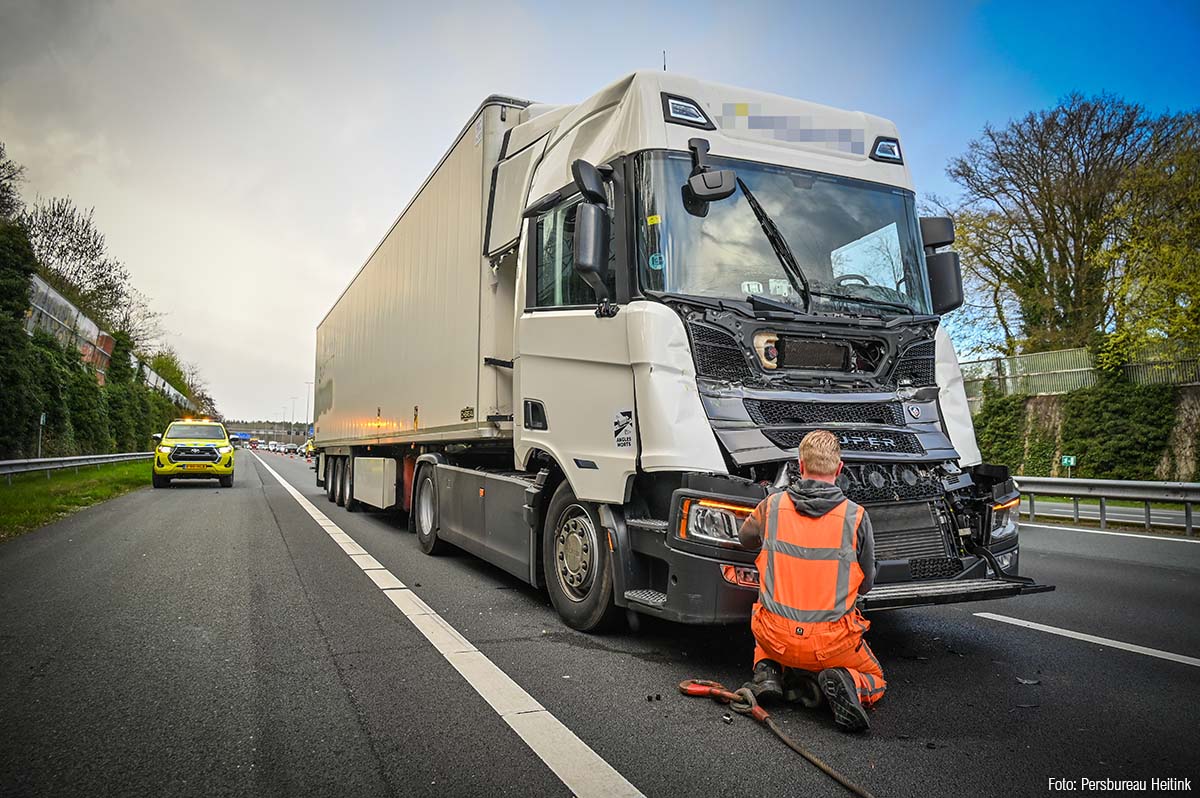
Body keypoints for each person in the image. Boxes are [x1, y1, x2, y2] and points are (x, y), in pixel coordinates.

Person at [738, 430, 884, 732]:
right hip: (831, 646)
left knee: (765, 608)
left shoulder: (772, 506)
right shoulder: (856, 517)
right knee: (877, 678)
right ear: (839, 469)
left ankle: (767, 672)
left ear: (800, 465)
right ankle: (849, 681)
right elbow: (866, 584)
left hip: (775, 638)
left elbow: (745, 539)